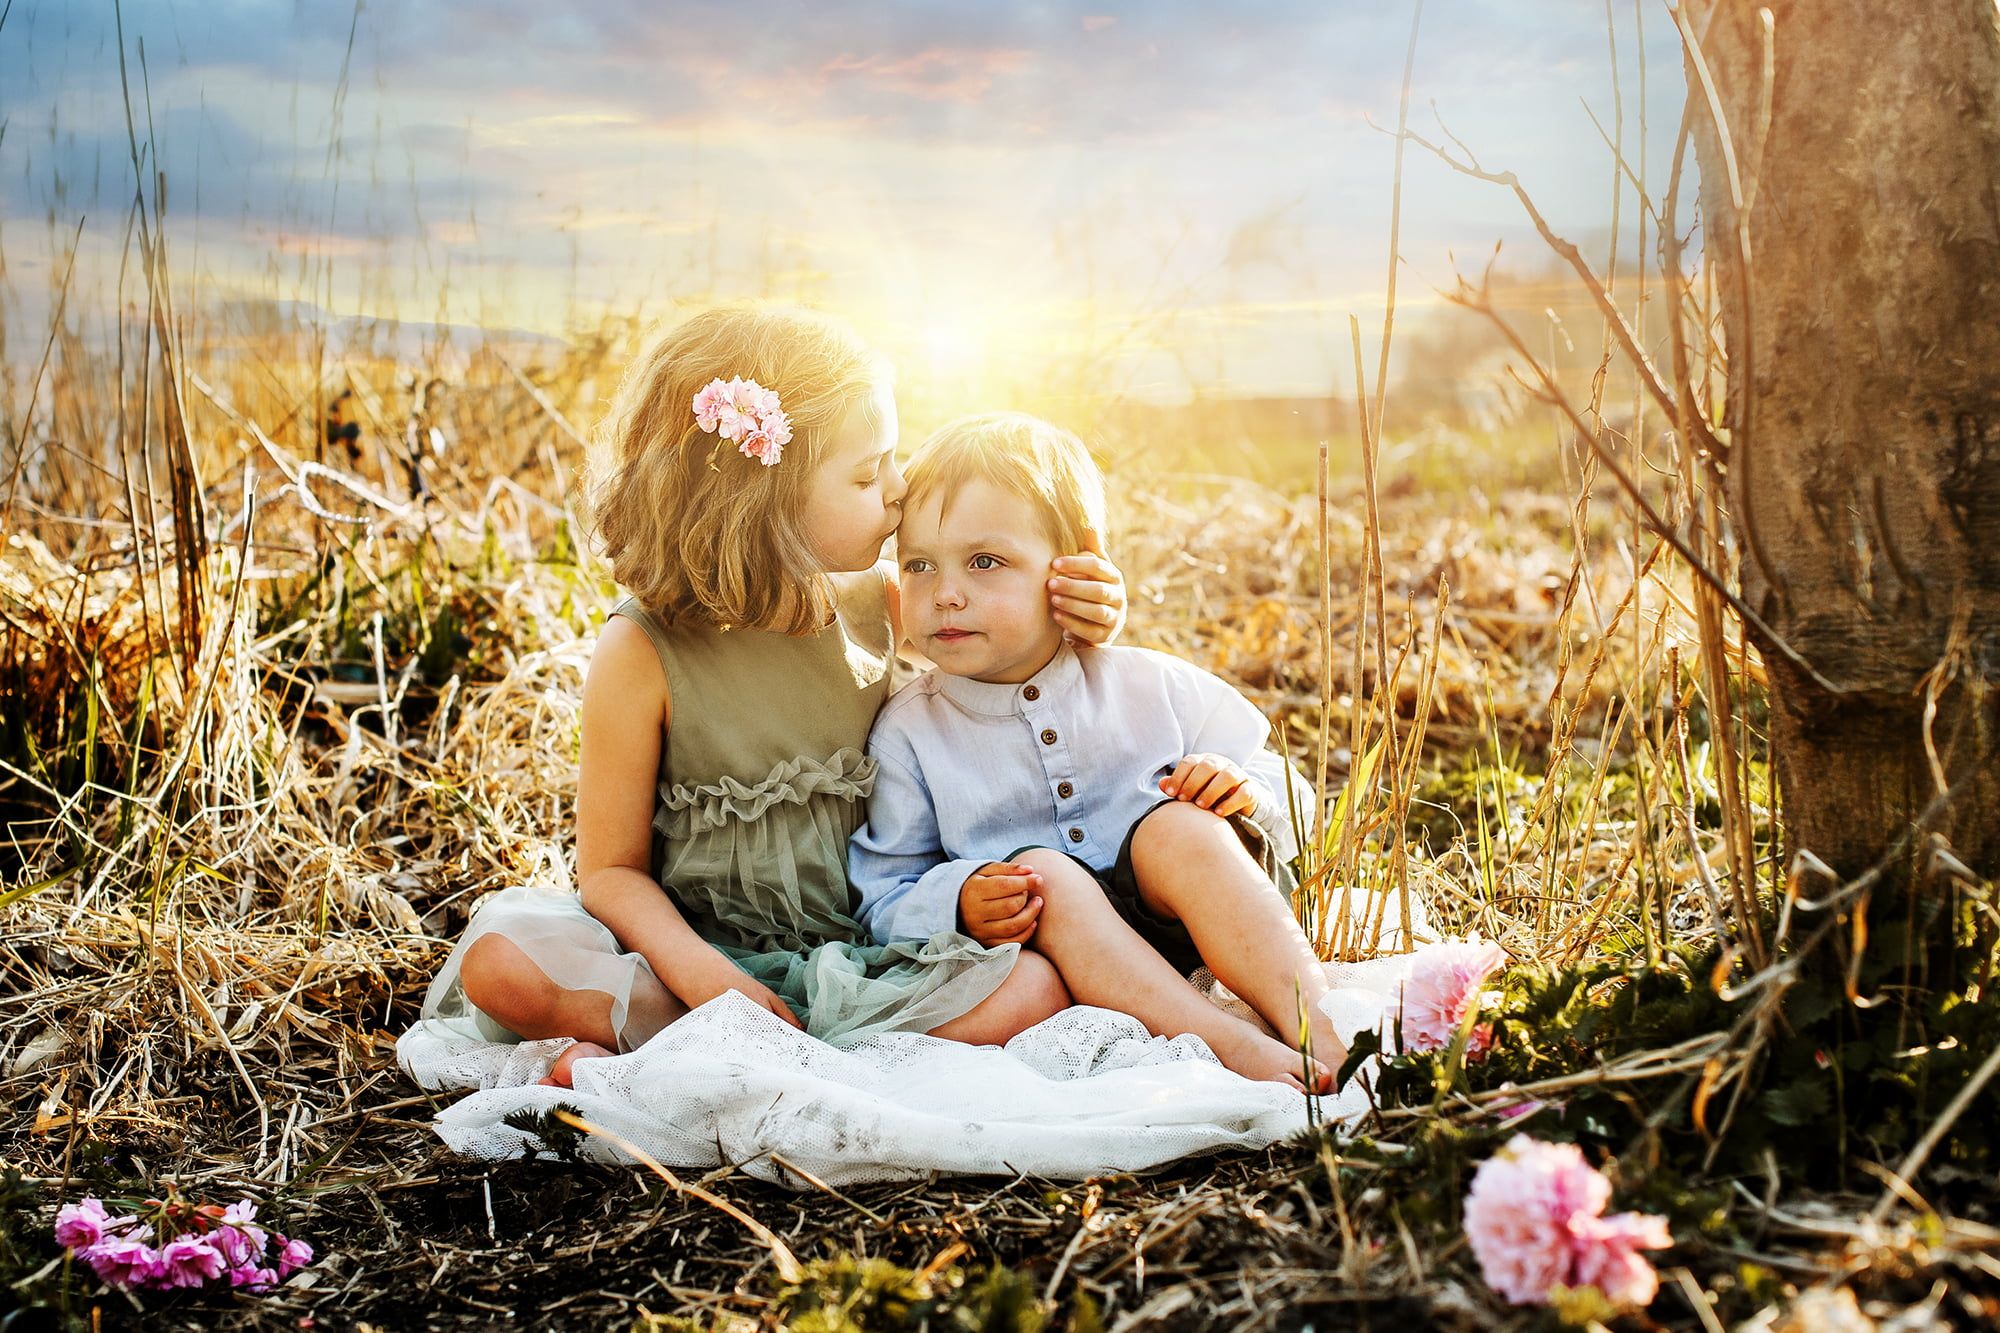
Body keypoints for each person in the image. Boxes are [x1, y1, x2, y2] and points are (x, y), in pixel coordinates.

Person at [413, 308, 1127, 1087]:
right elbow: (610, 871)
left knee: (1035, 988)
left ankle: (696, 1054)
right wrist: (706, 977)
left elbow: (1013, 656)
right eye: (865, 474)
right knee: (502, 964)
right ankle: (719, 1030)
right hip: (689, 946)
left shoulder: (884, 602)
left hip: (864, 946)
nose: (899, 491)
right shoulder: (643, 649)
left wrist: (1085, 618)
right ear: (761, 495)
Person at [848, 413, 1343, 1091]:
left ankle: (1327, 1027)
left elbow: (1289, 791)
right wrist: (959, 897)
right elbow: (882, 895)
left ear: (1075, 568)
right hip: (1055, 953)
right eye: (919, 565)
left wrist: (1241, 790)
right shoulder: (910, 731)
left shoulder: (1148, 681)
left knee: (1177, 827)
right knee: (1043, 874)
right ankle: (1224, 1040)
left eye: (984, 561)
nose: (946, 593)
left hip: (1196, 924)